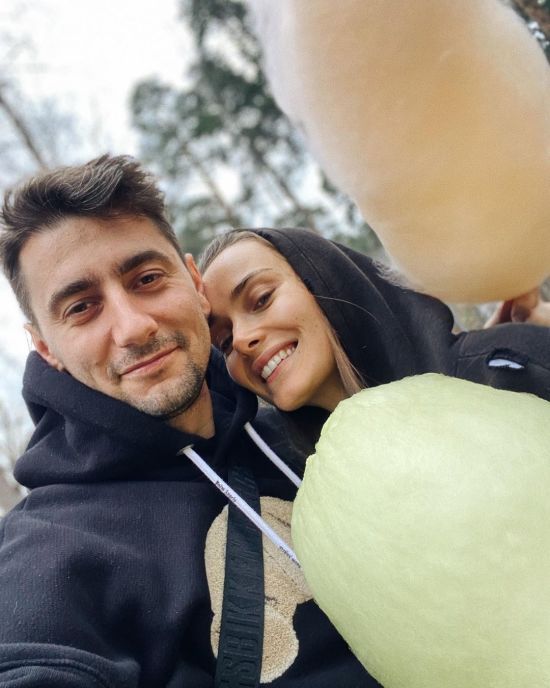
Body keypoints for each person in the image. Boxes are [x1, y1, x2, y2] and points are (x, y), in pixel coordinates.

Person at [0, 158, 383, 687]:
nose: (134, 327)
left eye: (147, 279)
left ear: (195, 282)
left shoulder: (307, 432)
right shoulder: (48, 550)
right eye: (82, 307)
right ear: (46, 348)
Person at [200, 227, 550, 451]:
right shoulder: (310, 486)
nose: (241, 340)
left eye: (261, 299)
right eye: (225, 342)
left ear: (323, 280)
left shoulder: (509, 368)